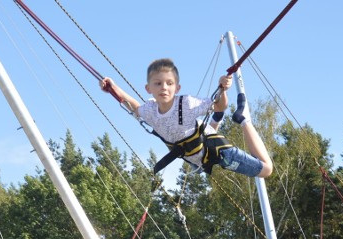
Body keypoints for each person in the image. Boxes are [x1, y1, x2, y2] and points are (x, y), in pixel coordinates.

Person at [100, 58, 273, 178]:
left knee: (266, 169)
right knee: (201, 146)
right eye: (158, 83)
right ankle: (216, 120)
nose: (164, 88)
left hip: (215, 151)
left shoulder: (187, 104)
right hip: (196, 156)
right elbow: (134, 107)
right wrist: (113, 88)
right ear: (148, 88)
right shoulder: (150, 111)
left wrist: (223, 89)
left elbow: (219, 105)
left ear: (177, 87)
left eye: (169, 83)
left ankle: (244, 119)